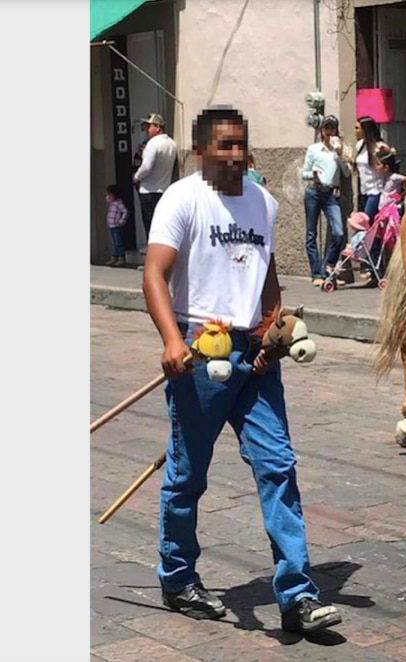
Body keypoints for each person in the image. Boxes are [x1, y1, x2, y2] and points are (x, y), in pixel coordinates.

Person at [142, 106, 343, 634]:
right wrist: (170, 340)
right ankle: (178, 576)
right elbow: (154, 275)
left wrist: (272, 335)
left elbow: (267, 278)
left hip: (253, 354)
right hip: (200, 349)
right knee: (187, 474)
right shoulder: (181, 200)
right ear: (201, 152)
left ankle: (298, 594)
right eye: (223, 147)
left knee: (277, 464)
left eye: (240, 146)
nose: (234, 156)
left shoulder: (265, 203)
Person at [300, 115, 351, 286]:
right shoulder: (314, 149)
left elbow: (347, 173)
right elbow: (304, 173)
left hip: (331, 194)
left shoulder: (340, 150)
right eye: (326, 128)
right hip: (314, 191)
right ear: (322, 130)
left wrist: (340, 154)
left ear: (336, 130)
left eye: (332, 128)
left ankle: (328, 266)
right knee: (311, 233)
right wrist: (312, 175)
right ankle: (316, 274)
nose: (329, 131)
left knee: (339, 232)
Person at [134, 112, 178, 238]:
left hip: (148, 191)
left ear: (158, 127)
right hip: (164, 190)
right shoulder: (171, 143)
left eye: (149, 126)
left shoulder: (152, 144)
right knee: (163, 226)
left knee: (151, 227)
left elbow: (146, 167)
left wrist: (136, 177)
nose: (147, 130)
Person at [353, 117, 391, 227]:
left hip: (376, 190)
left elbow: (388, 166)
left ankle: (373, 244)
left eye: (357, 128)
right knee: (367, 222)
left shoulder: (379, 147)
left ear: (365, 130)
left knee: (367, 221)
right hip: (363, 191)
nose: (355, 131)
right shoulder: (360, 145)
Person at [104, 184, 129, 267]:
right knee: (114, 243)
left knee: (119, 242)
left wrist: (122, 221)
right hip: (111, 226)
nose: (107, 197)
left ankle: (121, 258)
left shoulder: (118, 203)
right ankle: (114, 257)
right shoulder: (112, 204)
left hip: (117, 226)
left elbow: (125, 211)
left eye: (109, 195)